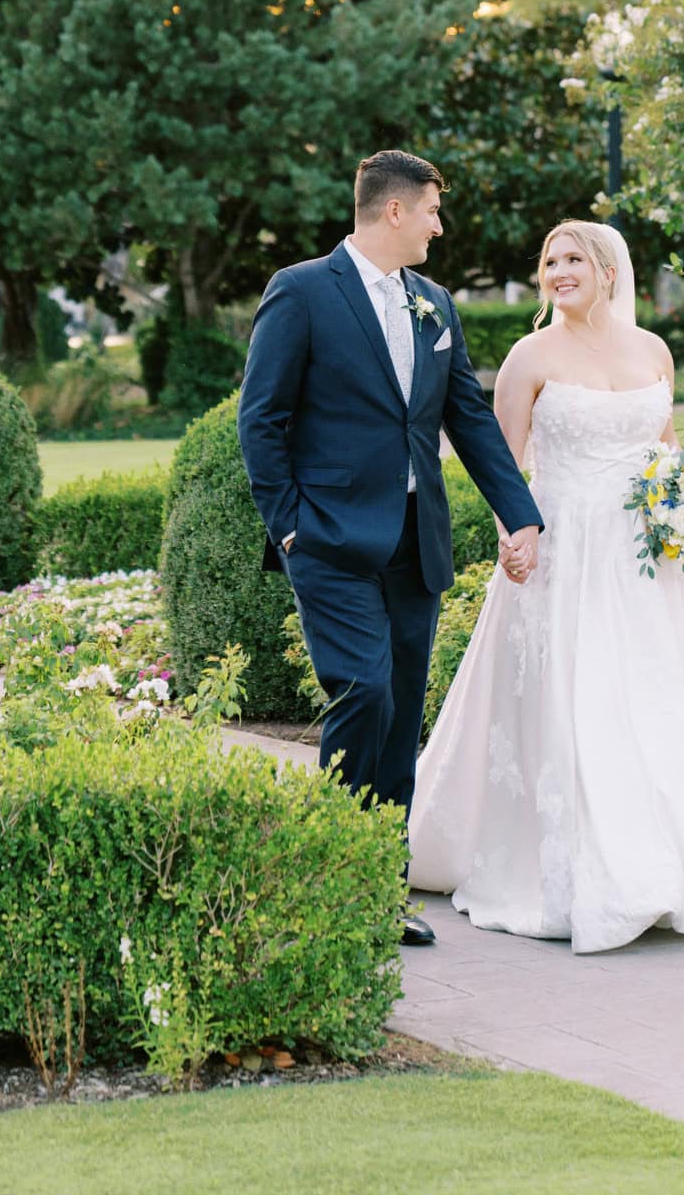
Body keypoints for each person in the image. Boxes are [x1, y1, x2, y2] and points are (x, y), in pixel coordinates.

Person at [408, 218, 684, 953]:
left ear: (607, 271)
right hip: (563, 555)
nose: (557, 271)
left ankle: (683, 866)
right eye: (550, 259)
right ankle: (597, 871)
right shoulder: (530, 356)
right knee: (579, 704)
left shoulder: (652, 351)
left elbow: (666, 452)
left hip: (647, 564)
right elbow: (502, 463)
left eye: (572, 259)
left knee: (656, 703)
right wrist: (508, 537)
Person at [238, 149, 543, 946]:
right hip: (329, 541)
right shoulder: (302, 292)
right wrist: (291, 527)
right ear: (396, 210)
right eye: (435, 210)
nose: (442, 226)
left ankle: (376, 890)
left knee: (401, 713)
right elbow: (260, 420)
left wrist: (522, 513)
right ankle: (329, 884)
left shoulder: (435, 303)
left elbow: (466, 418)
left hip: (417, 542)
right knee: (363, 694)